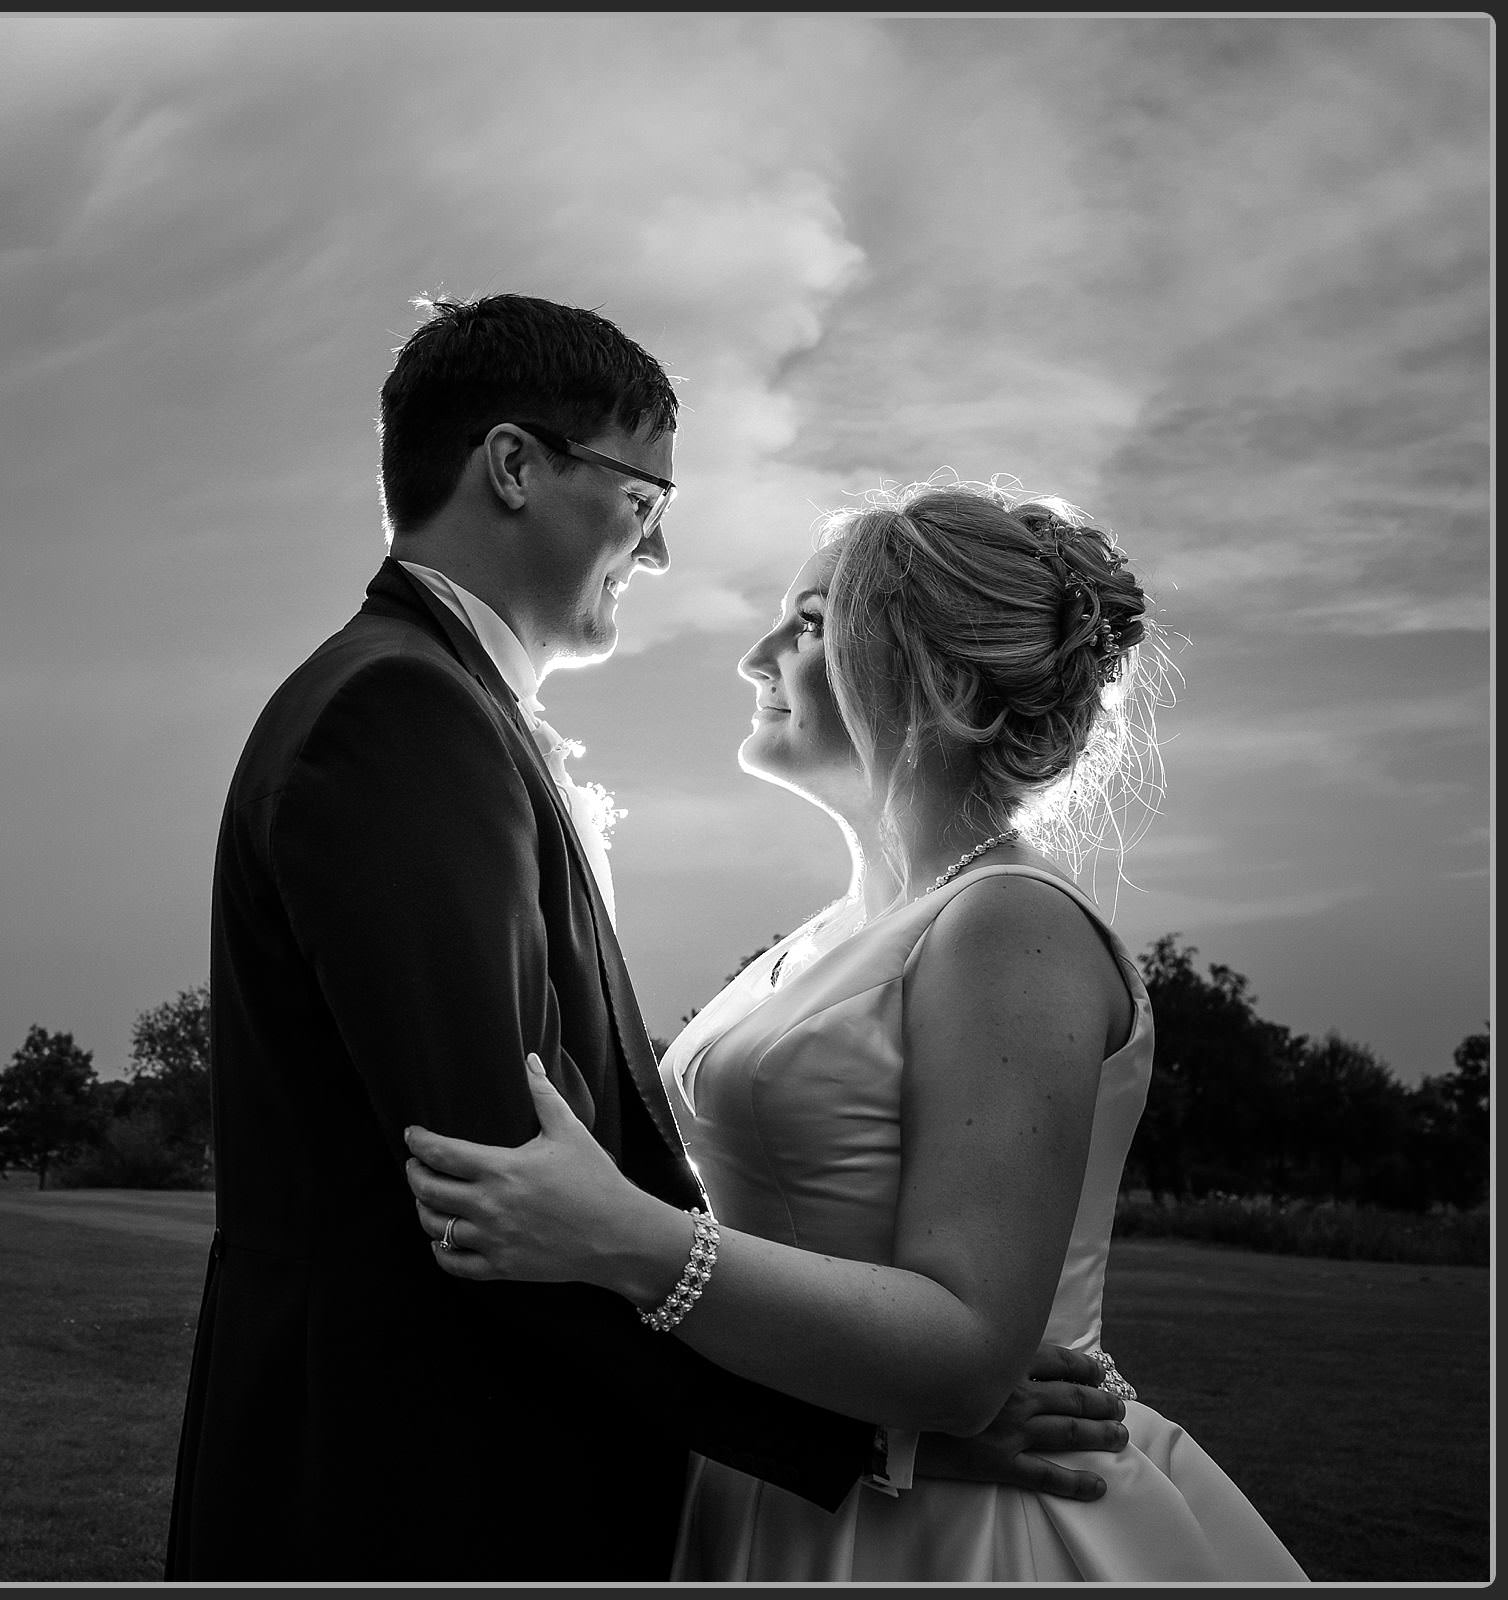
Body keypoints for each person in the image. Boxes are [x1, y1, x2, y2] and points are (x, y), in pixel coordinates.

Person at [165, 299, 1126, 1582]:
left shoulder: (426, 706)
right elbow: (505, 1201)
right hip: (419, 1497)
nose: (662, 547)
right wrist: (882, 1432)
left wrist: (902, 1403)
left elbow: (570, 1205)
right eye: (641, 495)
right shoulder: (405, 713)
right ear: (513, 467)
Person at [402, 477, 1309, 1582]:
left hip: (957, 1540)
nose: (756, 656)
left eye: (811, 624)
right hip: (793, 1491)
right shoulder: (838, 932)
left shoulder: (1009, 926)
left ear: (934, 675)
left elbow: (970, 1355)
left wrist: (623, 1237)